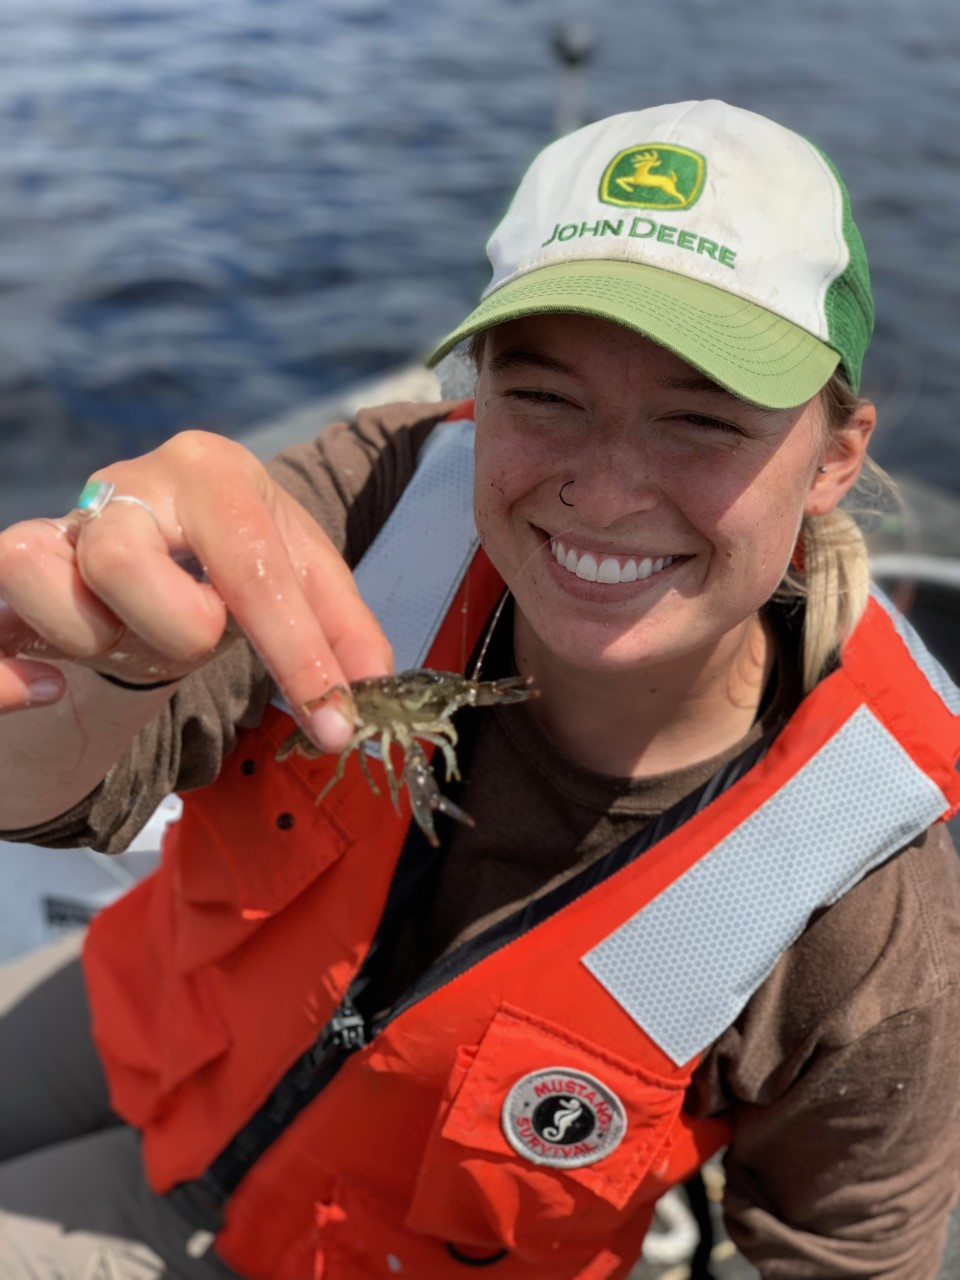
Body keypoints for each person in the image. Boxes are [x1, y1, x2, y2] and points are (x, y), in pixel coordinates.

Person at [0, 98, 959, 1280]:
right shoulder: (370, 504)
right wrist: (81, 664)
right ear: (476, 392)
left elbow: (852, 1250)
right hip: (150, 1015)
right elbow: (66, 787)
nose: (603, 493)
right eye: (543, 396)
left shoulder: (865, 888)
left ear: (836, 457)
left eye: (703, 420)